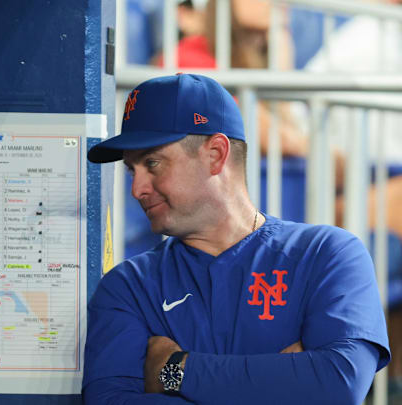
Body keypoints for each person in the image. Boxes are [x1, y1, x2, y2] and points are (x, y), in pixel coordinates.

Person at [83, 74, 390, 404]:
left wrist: (174, 370)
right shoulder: (128, 287)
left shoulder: (327, 254)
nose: (137, 189)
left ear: (215, 154)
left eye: (152, 163)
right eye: (132, 170)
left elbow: (338, 384)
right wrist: (284, 382)